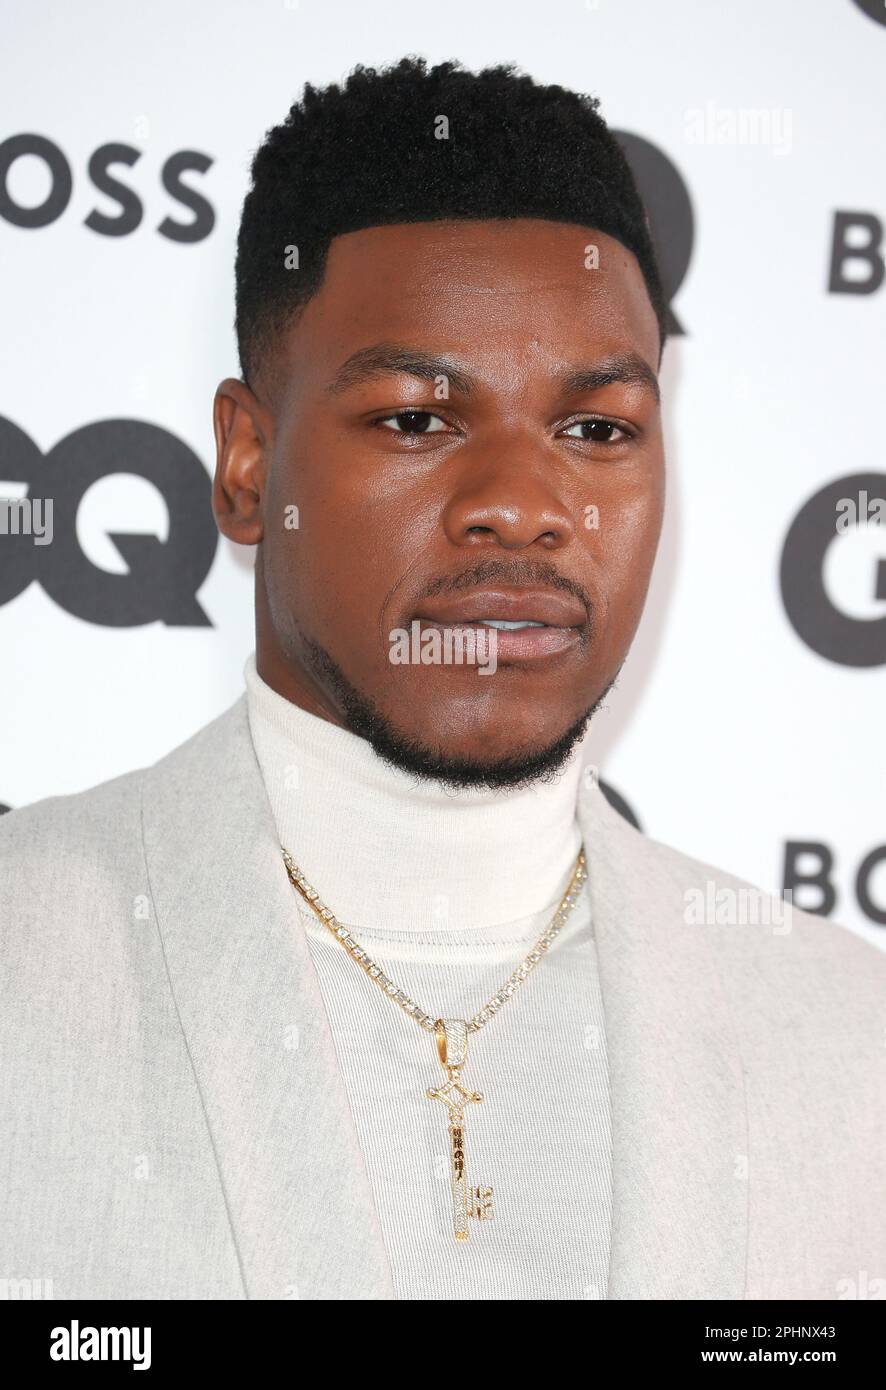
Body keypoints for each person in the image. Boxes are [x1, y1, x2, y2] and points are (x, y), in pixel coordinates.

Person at [1, 57, 884, 1302]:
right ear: (248, 466)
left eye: (597, 429)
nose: (522, 506)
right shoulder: (23, 960)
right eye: (418, 418)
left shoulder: (849, 1042)